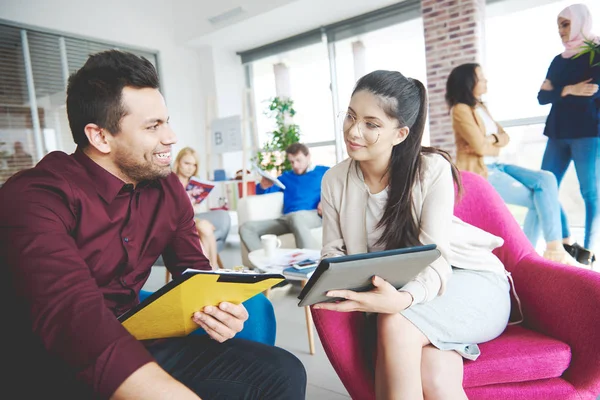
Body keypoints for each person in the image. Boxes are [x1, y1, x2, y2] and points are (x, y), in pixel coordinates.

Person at [0, 50, 306, 399]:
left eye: (167, 121)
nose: (172, 137)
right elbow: (74, 322)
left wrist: (220, 312)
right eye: (153, 126)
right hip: (52, 361)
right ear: (100, 136)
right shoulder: (35, 197)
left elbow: (195, 274)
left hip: (135, 334)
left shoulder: (165, 186)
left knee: (281, 372)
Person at [313, 70, 512, 399]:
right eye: (350, 116)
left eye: (371, 123)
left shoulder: (429, 170)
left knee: (394, 322)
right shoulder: (335, 180)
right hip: (409, 293)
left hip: (468, 279)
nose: (353, 130)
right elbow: (334, 251)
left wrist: (401, 300)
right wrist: (329, 280)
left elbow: (436, 259)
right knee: (434, 376)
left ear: (400, 133)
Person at [447, 63, 582, 266]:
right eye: (481, 77)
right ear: (469, 82)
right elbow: (480, 147)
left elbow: (504, 137)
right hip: (483, 170)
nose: (486, 81)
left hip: (499, 164)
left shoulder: (481, 107)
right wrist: (493, 141)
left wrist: (490, 139)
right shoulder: (460, 109)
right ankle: (544, 252)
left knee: (546, 179)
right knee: (539, 198)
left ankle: (541, 251)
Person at [537, 3, 599, 260]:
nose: (561, 31)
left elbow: (592, 91)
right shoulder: (557, 60)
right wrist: (569, 89)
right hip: (557, 132)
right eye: (559, 26)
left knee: (590, 192)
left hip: (588, 132)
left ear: (580, 22)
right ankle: (566, 240)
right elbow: (542, 96)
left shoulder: (596, 53)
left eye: (565, 24)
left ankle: (589, 249)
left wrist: (558, 90)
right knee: (544, 186)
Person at [239, 142, 329, 251]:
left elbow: (339, 187)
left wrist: (325, 201)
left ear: (308, 156)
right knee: (246, 228)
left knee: (296, 217)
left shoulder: (323, 172)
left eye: (298, 160)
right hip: (287, 219)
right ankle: (266, 265)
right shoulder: (285, 177)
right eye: (292, 162)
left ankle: (309, 263)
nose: (295, 165)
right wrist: (263, 186)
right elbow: (264, 193)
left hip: (312, 216)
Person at [173, 146, 221, 269]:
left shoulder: (195, 183)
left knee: (206, 230)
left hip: (190, 218)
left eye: (194, 165)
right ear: (178, 163)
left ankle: (211, 268)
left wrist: (194, 207)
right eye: (187, 163)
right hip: (174, 221)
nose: (190, 168)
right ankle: (212, 269)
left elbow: (195, 210)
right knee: (204, 227)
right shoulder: (170, 182)